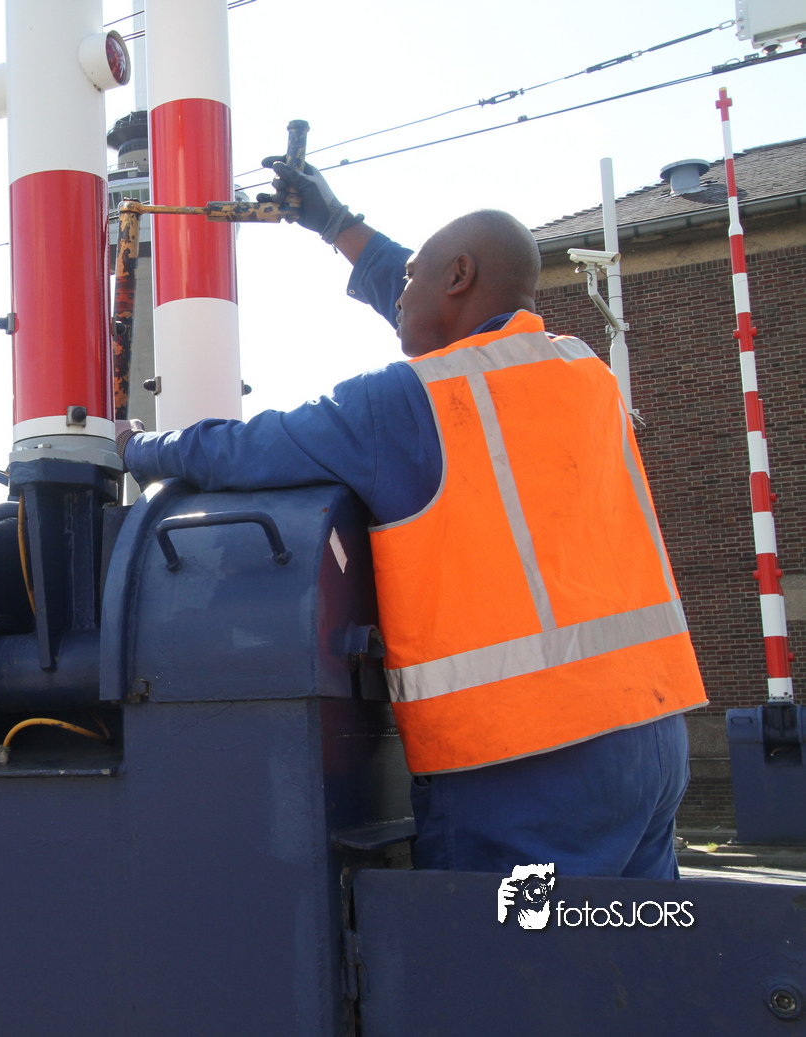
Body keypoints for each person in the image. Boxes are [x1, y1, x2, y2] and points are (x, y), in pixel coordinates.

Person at [117, 165, 707, 878]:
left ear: (457, 276)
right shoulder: (585, 376)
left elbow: (240, 449)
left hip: (523, 757)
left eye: (410, 279)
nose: (398, 294)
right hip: (651, 734)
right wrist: (337, 225)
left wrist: (137, 447)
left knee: (496, 950)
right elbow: (452, 310)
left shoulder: (402, 405)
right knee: (632, 941)